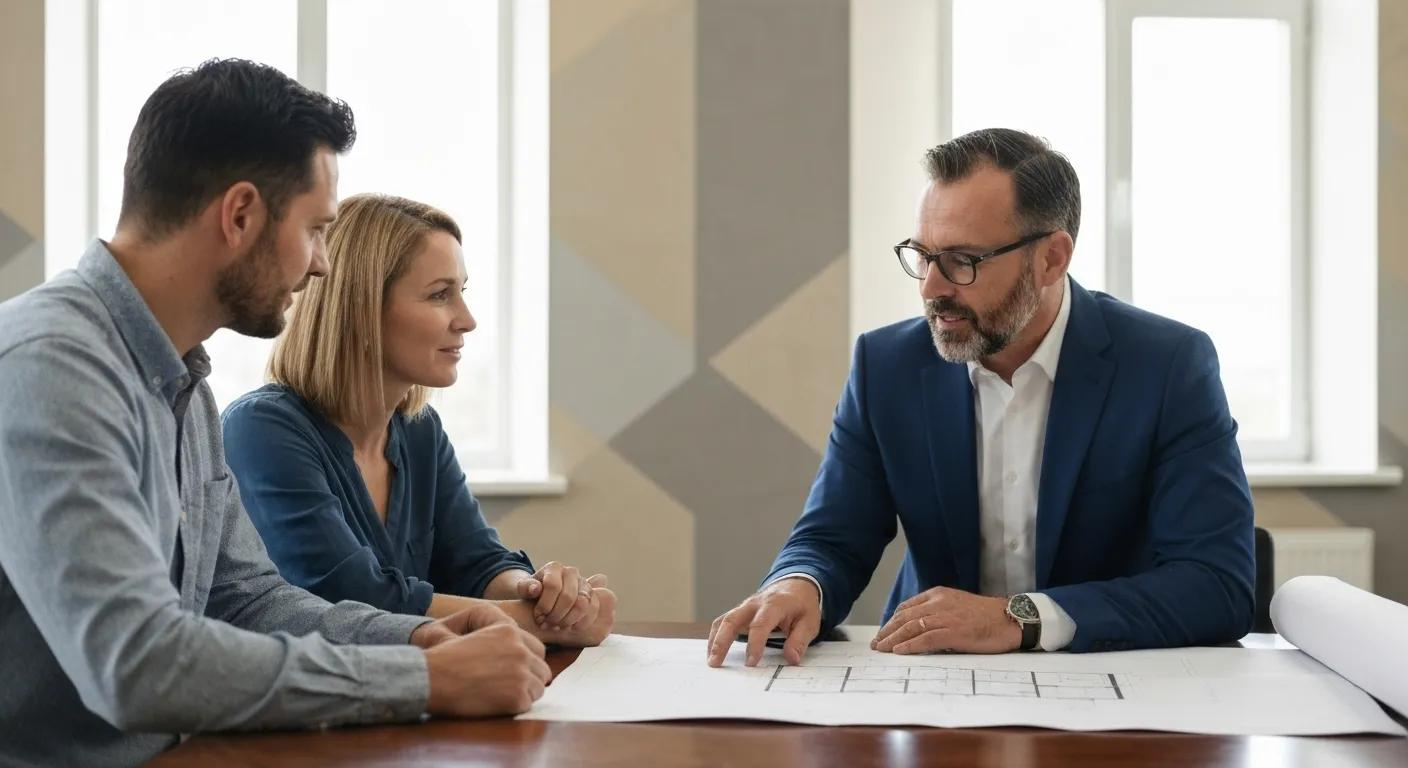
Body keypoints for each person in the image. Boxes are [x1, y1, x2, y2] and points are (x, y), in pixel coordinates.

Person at [0, 59, 549, 768]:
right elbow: (134, 665)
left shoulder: (183, 384)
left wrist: (412, 638)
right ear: (240, 215)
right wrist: (420, 679)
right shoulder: (51, 365)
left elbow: (247, 597)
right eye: (317, 230)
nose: (322, 265)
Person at [707, 128, 1255, 668]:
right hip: (931, 685)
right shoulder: (886, 367)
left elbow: (1216, 584)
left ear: (1052, 259)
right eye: (923, 255)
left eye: (962, 261)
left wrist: (1020, 618)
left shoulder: (1167, 366)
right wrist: (798, 585)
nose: (931, 287)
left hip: (1111, 686)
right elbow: (832, 537)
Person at [221, 193, 614, 646]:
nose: (467, 320)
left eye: (461, 292)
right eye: (439, 295)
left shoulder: (419, 429)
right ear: (360, 310)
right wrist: (535, 622)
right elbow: (349, 597)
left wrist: (542, 594)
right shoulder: (260, 430)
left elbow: (477, 562)